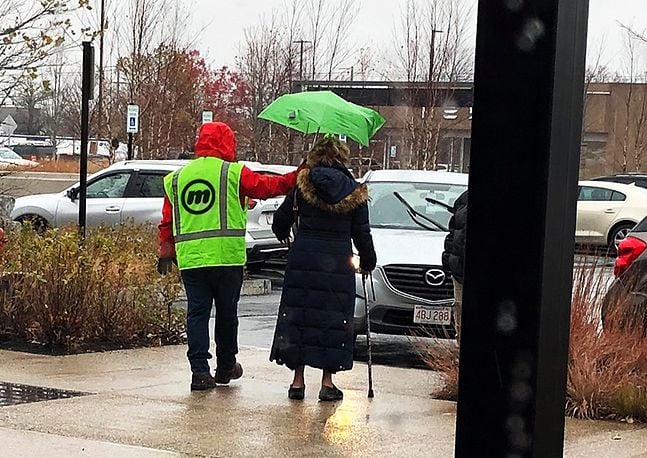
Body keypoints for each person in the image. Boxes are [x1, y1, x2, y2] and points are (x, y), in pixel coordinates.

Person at [158, 121, 300, 391]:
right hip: (227, 258)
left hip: (192, 260)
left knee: (197, 314)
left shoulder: (177, 178)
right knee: (226, 313)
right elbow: (269, 186)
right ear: (227, 143)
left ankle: (199, 372)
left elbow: (167, 220)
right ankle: (225, 366)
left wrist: (166, 249)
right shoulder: (234, 174)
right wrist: (297, 176)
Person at [270, 136, 377, 402]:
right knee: (332, 320)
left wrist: (288, 233)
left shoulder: (301, 184)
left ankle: (297, 382)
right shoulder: (355, 191)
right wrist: (368, 261)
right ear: (342, 159)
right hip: (337, 263)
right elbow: (362, 234)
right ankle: (327, 383)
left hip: (303, 259)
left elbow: (280, 223)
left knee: (300, 317)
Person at [442, 190, 468, 342]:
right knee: (460, 315)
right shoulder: (463, 201)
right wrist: (448, 260)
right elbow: (453, 235)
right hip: (459, 272)